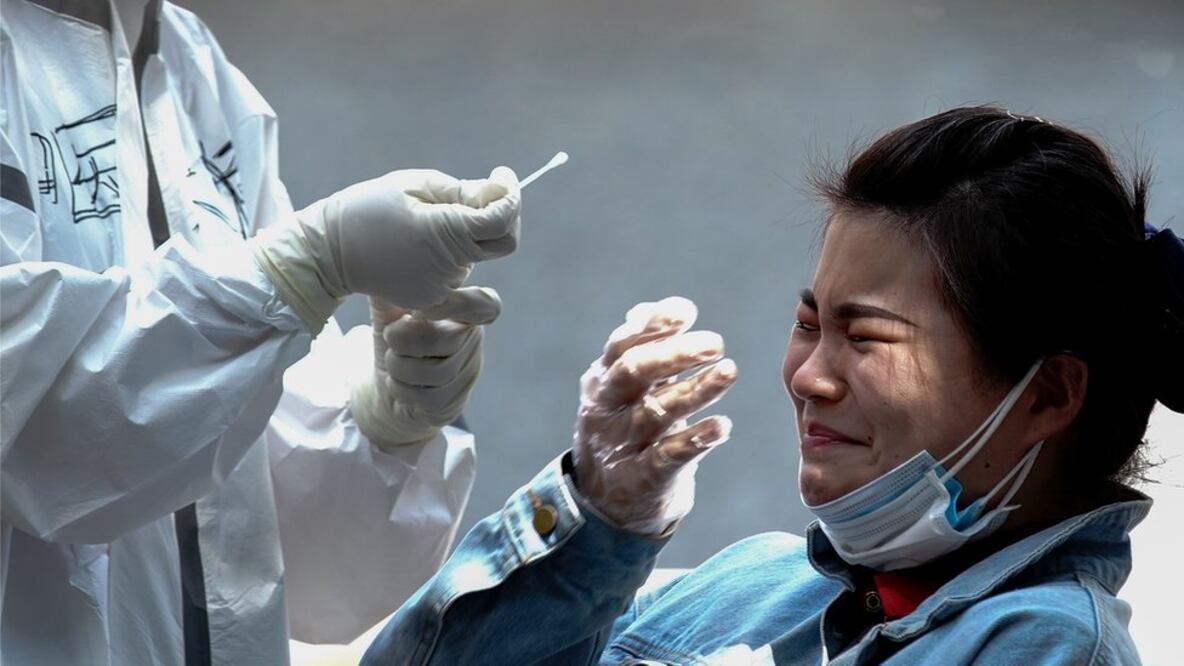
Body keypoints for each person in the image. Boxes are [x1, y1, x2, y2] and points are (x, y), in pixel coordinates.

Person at [361, 106, 1184, 665]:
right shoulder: (753, 582)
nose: (809, 377)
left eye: (866, 337)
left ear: (1047, 396)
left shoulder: (1048, 643)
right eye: (808, 323)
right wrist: (597, 523)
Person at [0, 0, 522, 663]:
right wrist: (303, 269)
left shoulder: (187, 62)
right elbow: (38, 443)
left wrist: (383, 423)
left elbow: (274, 540)